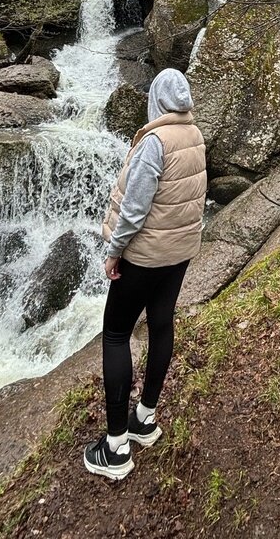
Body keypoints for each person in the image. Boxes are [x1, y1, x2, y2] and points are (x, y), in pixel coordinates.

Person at [84, 68, 206, 481]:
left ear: (156, 100)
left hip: (146, 254)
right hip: (179, 252)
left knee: (116, 334)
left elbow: (135, 209)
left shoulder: (155, 141)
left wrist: (114, 252)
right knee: (161, 324)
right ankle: (145, 419)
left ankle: (116, 447)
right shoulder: (194, 134)